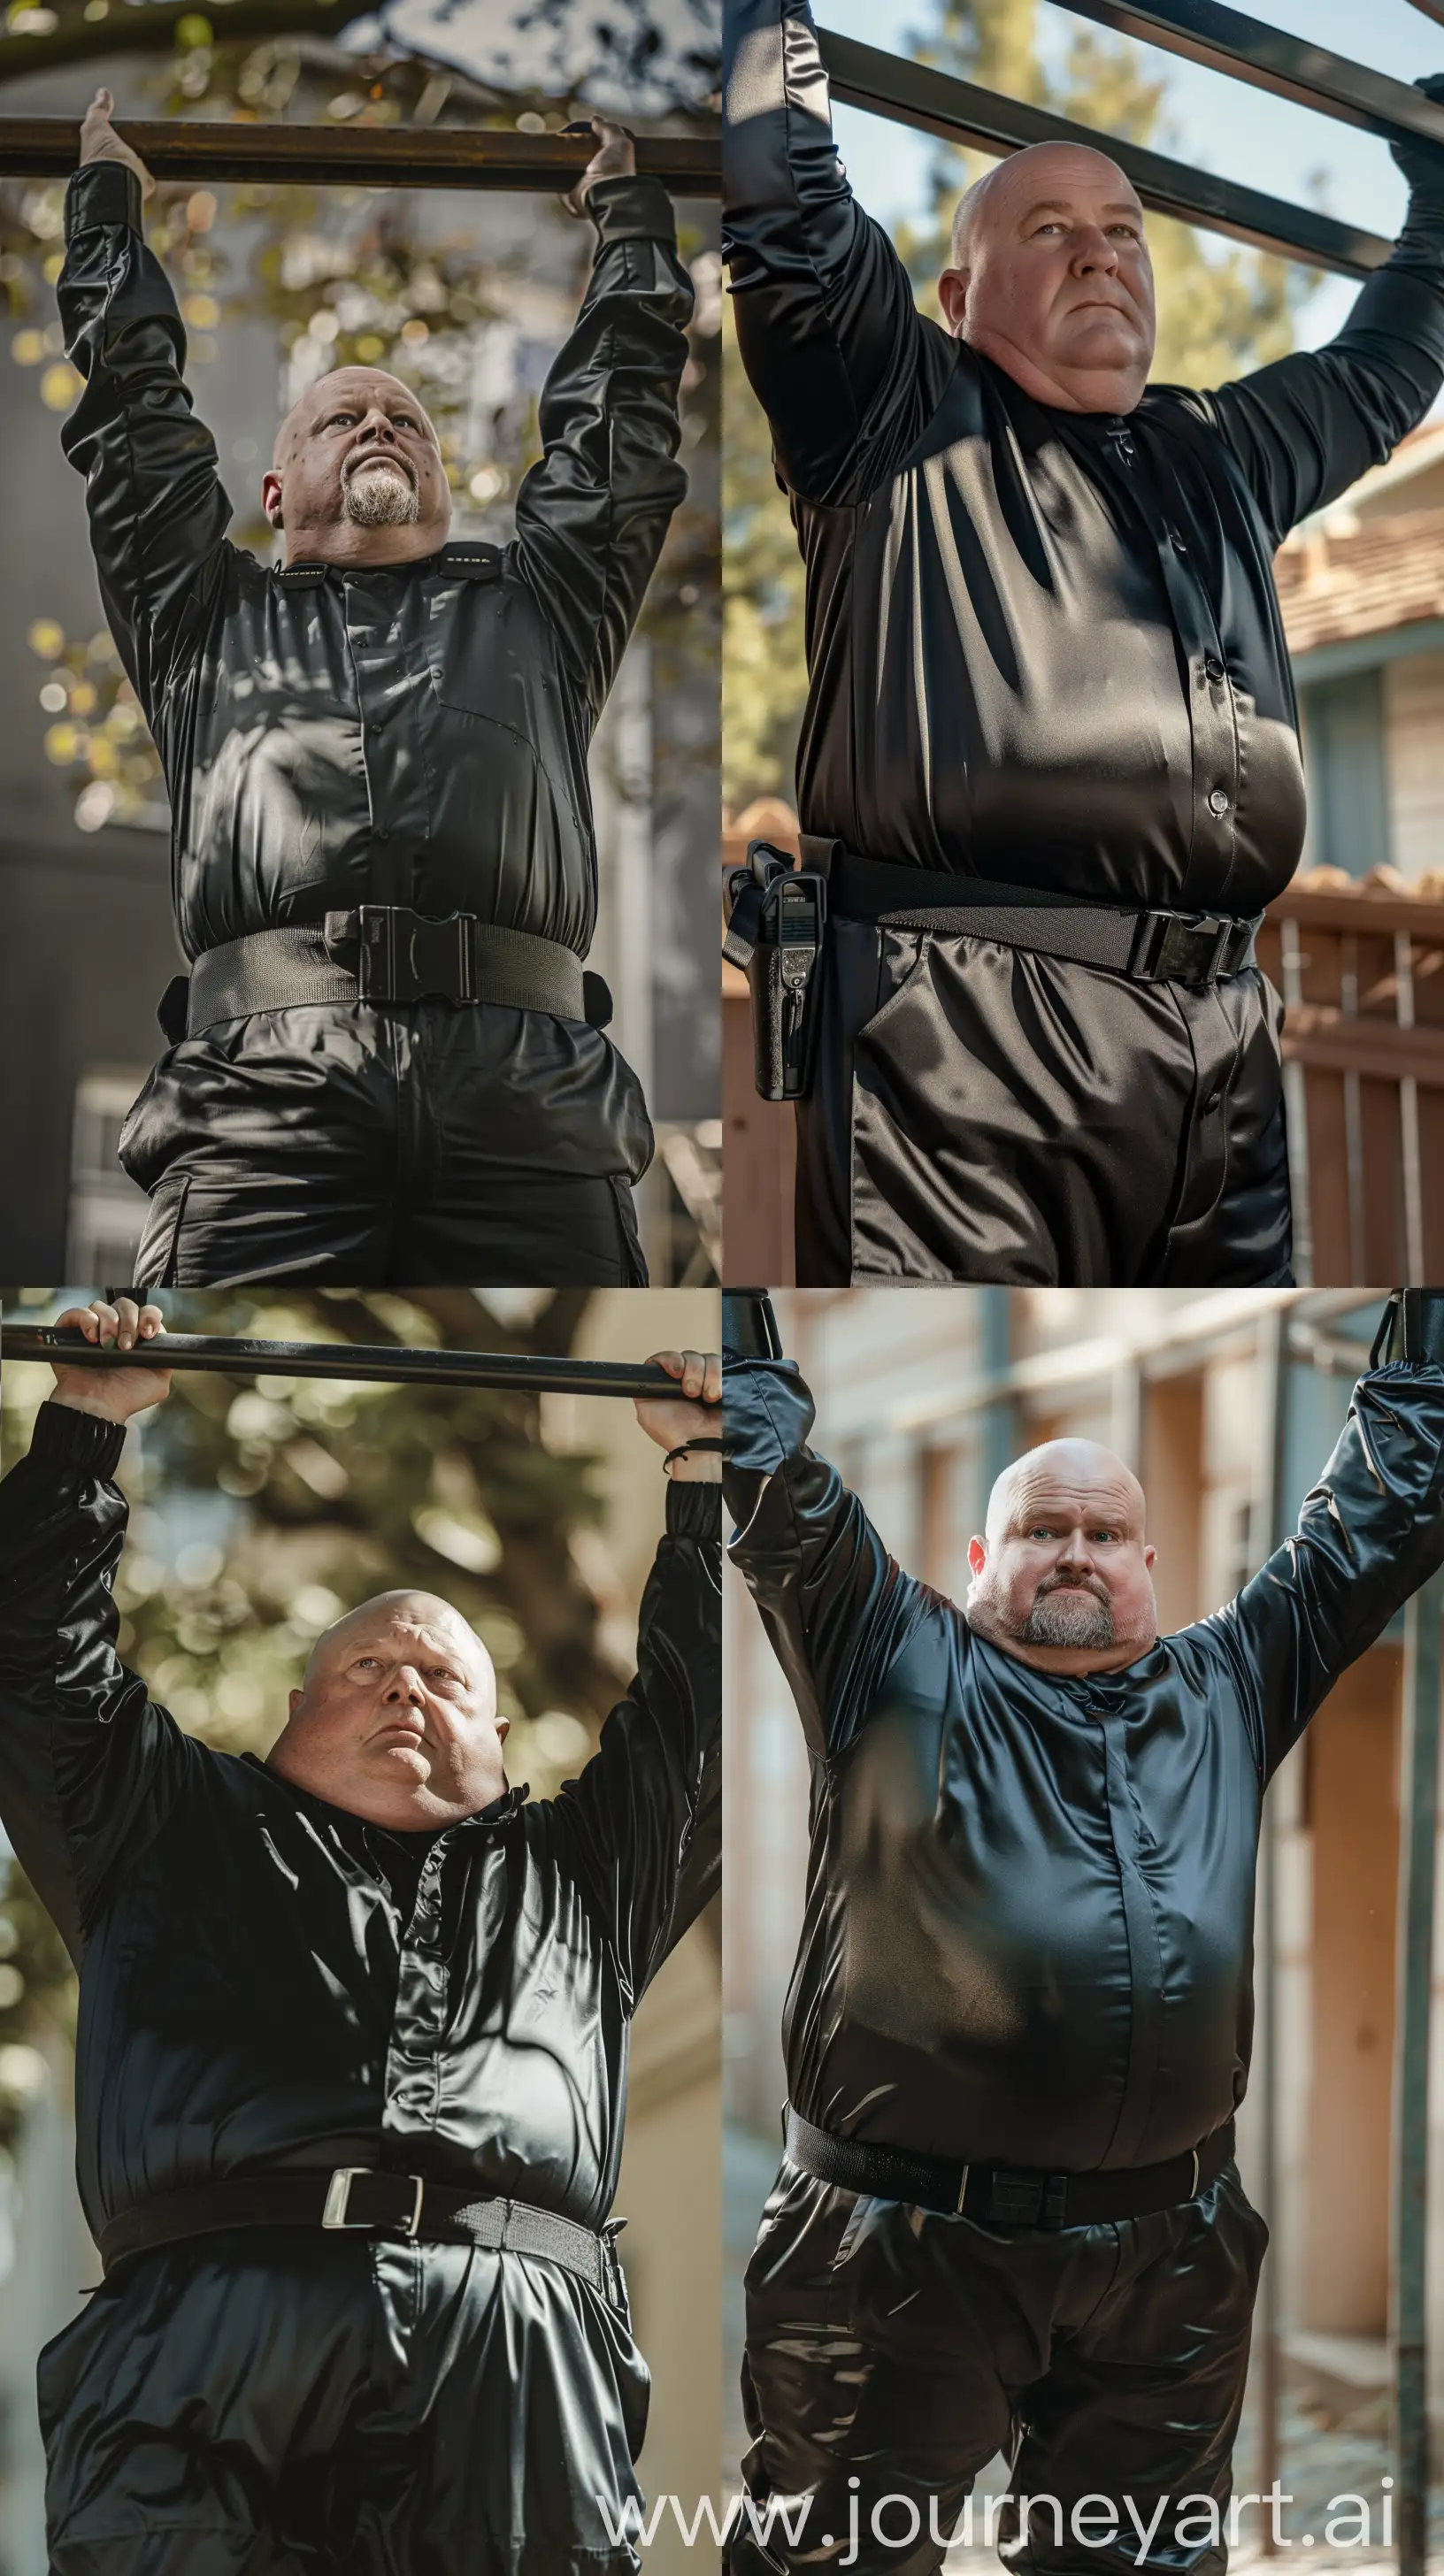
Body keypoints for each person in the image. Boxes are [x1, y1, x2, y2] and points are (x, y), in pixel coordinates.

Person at [721, 1288, 1444, 2576]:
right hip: (899, 2258)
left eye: (1104, 1532)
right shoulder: (891, 1657)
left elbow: (1380, 1514)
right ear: (979, 1564)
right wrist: (730, 1336)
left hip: (1170, 2260)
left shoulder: (1229, 1682)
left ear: (1150, 1568)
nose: (1072, 1553)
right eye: (1039, 1530)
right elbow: (780, 1479)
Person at [722, 0, 1444, 1284]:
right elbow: (788, 201)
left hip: (1225, 1042)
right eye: (1048, 231)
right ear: (957, 296)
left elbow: (1387, 366)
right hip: (966, 1043)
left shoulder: (1219, 450)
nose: (1098, 255)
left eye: (1124, 233)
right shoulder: (900, 418)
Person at [0, 1297, 722, 2574]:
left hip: (515, 2358)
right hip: (201, 2349)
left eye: (448, 1679)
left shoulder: (585, 1872)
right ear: (290, 1714)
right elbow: (33, 1665)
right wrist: (83, 1428)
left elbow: (699, 1726)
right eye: (366, 1671)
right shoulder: (163, 1825)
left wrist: (706, 1474)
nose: (405, 1685)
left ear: (500, 1743)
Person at [60, 92, 695, 1286]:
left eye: (407, 420)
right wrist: (105, 212)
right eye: (339, 417)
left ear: (446, 484)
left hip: (532, 1117)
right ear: (275, 486)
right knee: (193, 1361)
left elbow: (621, 438)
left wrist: (626, 217)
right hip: (259, 1118)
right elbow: (133, 424)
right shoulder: (204, 616)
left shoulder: (540, 608)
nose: (380, 425)